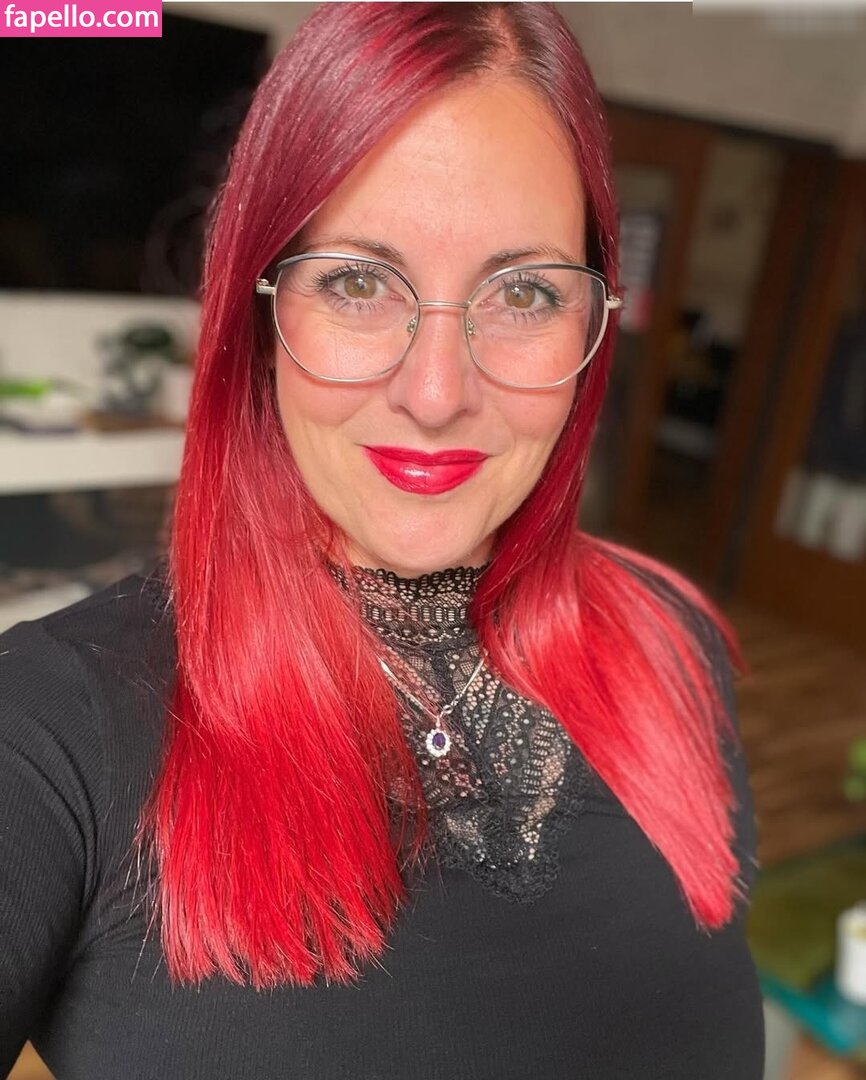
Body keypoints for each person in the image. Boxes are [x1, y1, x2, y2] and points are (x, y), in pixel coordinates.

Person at [0, 3, 765, 1078]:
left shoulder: (669, 642)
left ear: (591, 326)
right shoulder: (52, 725)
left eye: (524, 292)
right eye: (357, 282)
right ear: (262, 313)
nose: (437, 394)